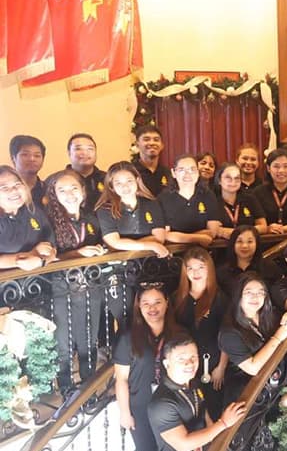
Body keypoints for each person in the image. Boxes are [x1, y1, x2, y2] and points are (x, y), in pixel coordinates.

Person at [148, 335, 246, 451]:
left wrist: (219, 448)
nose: (190, 363)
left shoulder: (192, 385)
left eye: (193, 357)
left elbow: (204, 415)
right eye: (182, 359)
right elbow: (183, 444)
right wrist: (223, 424)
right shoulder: (161, 403)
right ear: (167, 363)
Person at [113, 285, 178, 451]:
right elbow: (121, 379)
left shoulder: (176, 332)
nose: (152, 308)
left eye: (157, 302)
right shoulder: (129, 337)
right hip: (140, 404)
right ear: (138, 307)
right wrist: (124, 412)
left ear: (167, 303)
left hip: (170, 403)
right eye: (146, 303)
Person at [45, 170, 107, 392]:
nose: (69, 194)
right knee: (64, 341)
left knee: (88, 339)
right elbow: (48, 258)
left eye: (73, 188)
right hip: (60, 289)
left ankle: (88, 390)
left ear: (82, 191)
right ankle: (66, 390)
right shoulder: (48, 219)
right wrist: (79, 253)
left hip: (90, 286)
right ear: (54, 194)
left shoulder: (92, 217)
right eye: (61, 190)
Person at [219, 272, 287, 407]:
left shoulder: (269, 315)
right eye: (249, 292)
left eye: (260, 293)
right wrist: (278, 336)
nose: (255, 297)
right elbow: (253, 368)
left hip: (277, 386)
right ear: (238, 295)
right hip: (249, 398)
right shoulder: (229, 332)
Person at [172, 247, 229, 419]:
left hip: (212, 365)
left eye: (200, 267)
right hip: (187, 365)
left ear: (209, 269)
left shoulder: (219, 298)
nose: (195, 272)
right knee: (191, 411)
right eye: (191, 268)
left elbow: (227, 334)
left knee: (213, 408)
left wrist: (222, 366)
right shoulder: (178, 297)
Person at [94, 161, 170, 258]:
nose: (125, 186)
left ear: (137, 180)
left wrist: (125, 245)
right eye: (118, 183)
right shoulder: (105, 209)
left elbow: (159, 238)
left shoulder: (152, 203)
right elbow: (113, 243)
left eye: (129, 181)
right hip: (118, 264)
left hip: (151, 259)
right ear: (111, 186)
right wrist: (151, 245)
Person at [158, 154, 223, 246]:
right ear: (173, 173)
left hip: (203, 252)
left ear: (198, 172)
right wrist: (199, 238)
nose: (187, 174)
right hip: (174, 254)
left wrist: (180, 237)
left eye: (192, 169)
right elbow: (166, 236)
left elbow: (212, 232)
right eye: (181, 170)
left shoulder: (208, 195)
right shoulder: (163, 198)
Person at [0, 165, 55, 270]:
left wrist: (42, 261)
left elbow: (52, 248)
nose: (14, 190)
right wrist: (27, 256)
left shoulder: (34, 211)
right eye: (4, 187)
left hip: (38, 281)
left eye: (17, 184)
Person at [216, 224, 281, 297]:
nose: (245, 246)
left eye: (250, 241)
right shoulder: (221, 272)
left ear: (257, 244)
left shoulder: (270, 268)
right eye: (239, 241)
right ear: (233, 244)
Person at [215, 162, 267, 238]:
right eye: (228, 178)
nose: (233, 182)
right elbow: (211, 229)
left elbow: (263, 227)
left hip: (249, 244)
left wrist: (241, 232)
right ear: (219, 180)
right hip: (222, 247)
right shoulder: (212, 201)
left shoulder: (250, 199)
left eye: (237, 178)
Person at [63, 132, 105, 212]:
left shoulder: (107, 179)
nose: (85, 153)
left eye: (90, 149)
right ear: (69, 153)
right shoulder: (57, 180)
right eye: (78, 149)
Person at [131, 124, 171, 197]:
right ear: (137, 144)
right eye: (146, 139)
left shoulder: (168, 173)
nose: (152, 143)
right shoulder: (130, 172)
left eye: (156, 140)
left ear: (162, 145)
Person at [9, 134, 47, 208]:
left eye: (37, 155)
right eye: (25, 154)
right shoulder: (5, 191)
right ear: (13, 158)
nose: (32, 159)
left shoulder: (48, 190)